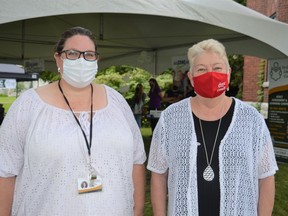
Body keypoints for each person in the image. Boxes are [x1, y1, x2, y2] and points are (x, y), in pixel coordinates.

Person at [0, 26, 146, 216]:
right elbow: (5, 170)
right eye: (72, 53)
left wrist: (138, 209)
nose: (81, 60)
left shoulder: (116, 101)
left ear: (96, 59)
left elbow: (137, 160)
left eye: (89, 54)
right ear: (58, 58)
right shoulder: (28, 105)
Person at [147, 39, 278, 216]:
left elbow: (266, 177)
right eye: (201, 69)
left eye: (217, 68)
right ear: (191, 78)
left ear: (228, 73)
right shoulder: (170, 118)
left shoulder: (252, 120)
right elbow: (158, 174)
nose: (210, 75)